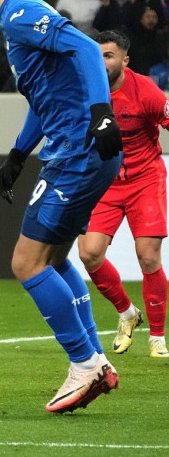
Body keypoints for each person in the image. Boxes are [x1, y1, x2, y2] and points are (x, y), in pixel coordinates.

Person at [0, 0, 124, 414]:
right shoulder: (16, 20)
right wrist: (18, 152)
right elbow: (44, 98)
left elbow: (88, 51)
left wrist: (101, 113)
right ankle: (97, 361)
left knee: (26, 263)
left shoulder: (22, 13)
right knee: (56, 257)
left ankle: (85, 363)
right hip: (72, 151)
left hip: (79, 153)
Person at [78, 30, 169, 359]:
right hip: (104, 181)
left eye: (109, 56)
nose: (102, 63)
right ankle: (127, 312)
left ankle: (157, 337)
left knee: (148, 256)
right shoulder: (83, 89)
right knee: (88, 254)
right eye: (97, 56)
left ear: (124, 60)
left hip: (145, 179)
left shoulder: (144, 89)